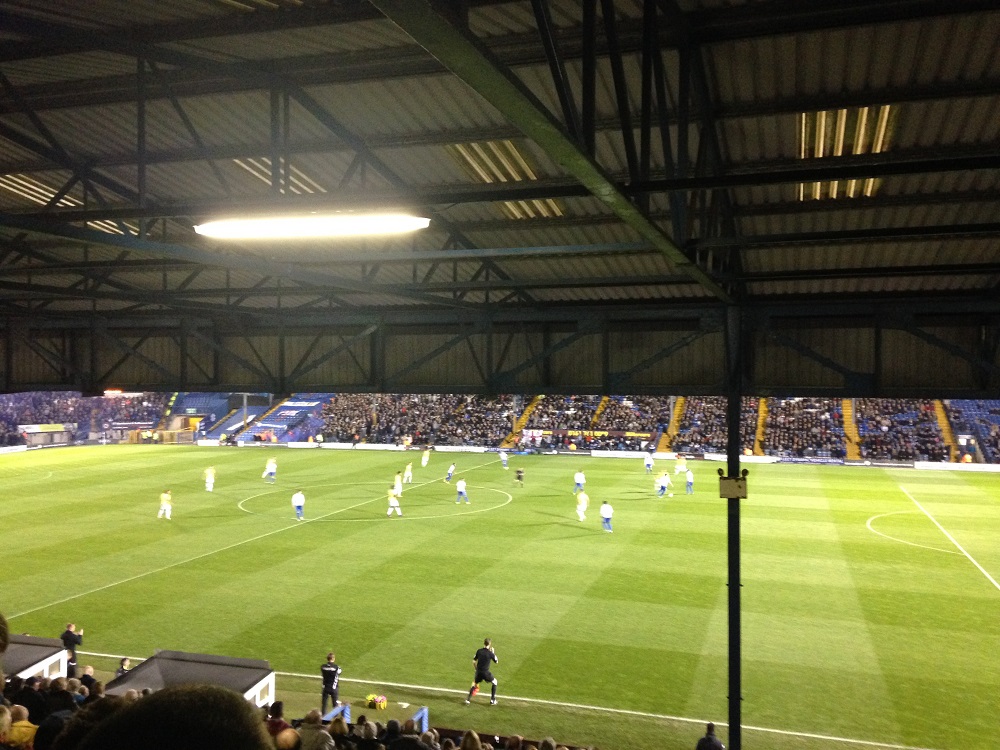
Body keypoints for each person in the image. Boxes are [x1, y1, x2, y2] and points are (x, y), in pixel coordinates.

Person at [464, 638, 498, 705]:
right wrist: (493, 652)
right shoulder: (490, 653)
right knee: (495, 682)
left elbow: (474, 661)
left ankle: (468, 700)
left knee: (474, 684)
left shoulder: (479, 651)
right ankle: (492, 700)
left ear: (484, 643)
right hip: (486, 673)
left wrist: (476, 669)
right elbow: (496, 661)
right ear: (490, 644)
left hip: (479, 672)